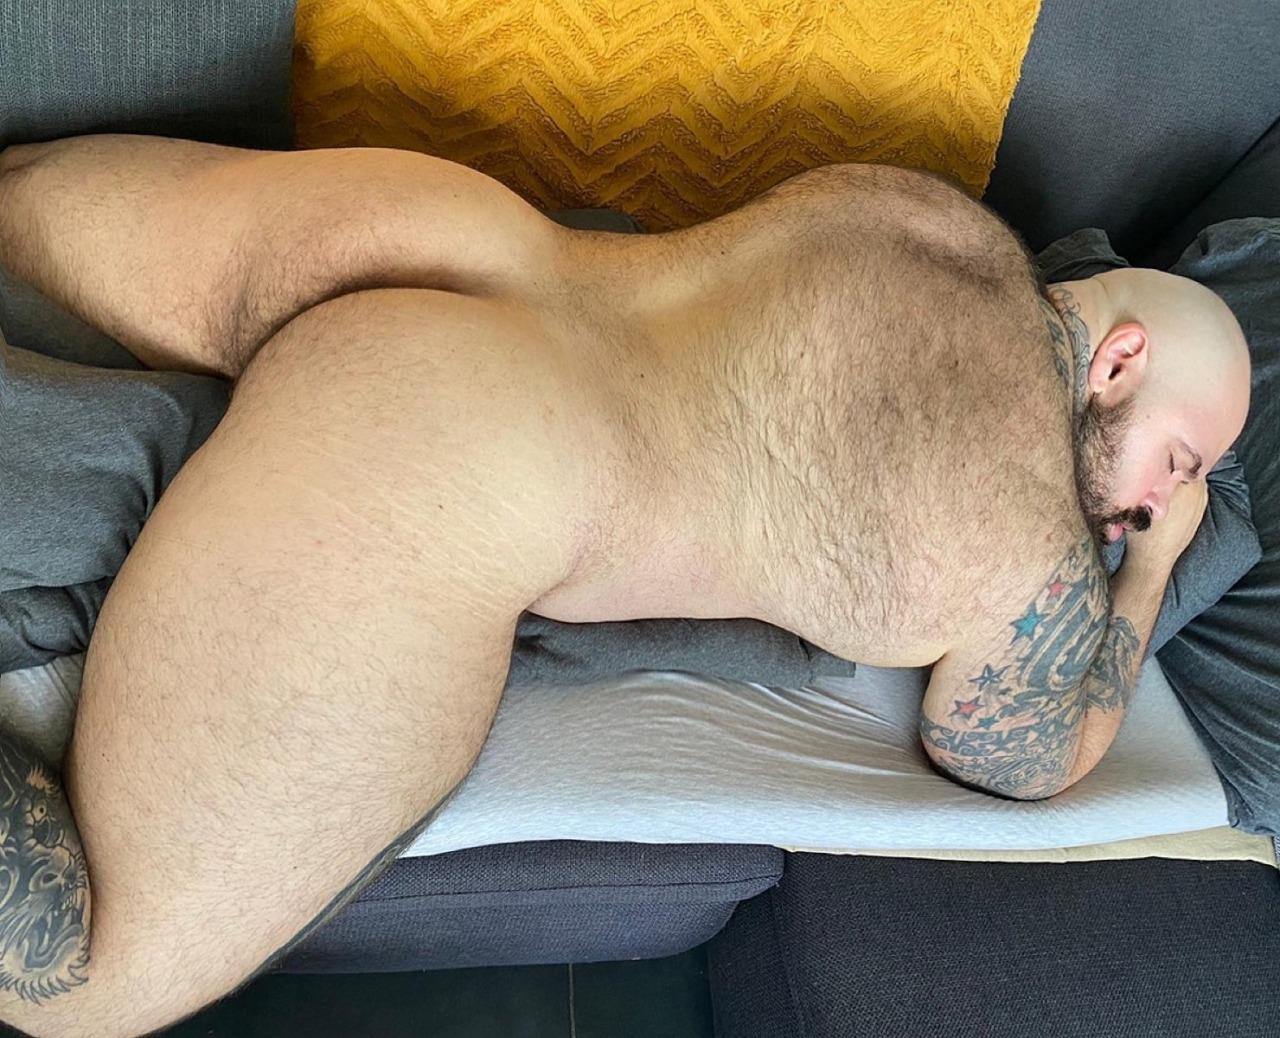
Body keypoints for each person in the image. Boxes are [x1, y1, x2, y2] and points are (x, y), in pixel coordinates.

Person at [0, 134, 1250, 1037]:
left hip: (441, 231)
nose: (1155, 503)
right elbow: (1022, 759)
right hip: (463, 447)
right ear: (1117, 360)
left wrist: (1136, 496)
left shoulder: (927, 217)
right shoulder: (1027, 544)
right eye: (1178, 461)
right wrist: (1143, 571)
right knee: (88, 980)